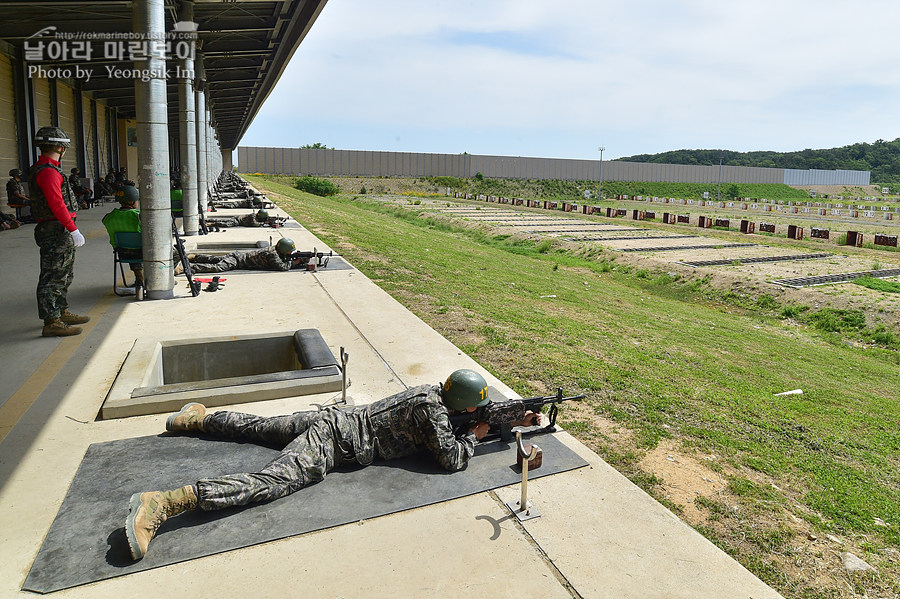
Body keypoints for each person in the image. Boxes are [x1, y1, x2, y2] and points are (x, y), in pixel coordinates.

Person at [124, 368, 541, 560]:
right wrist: (474, 436)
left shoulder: (433, 395)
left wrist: (512, 418)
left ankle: (195, 418)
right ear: (460, 405)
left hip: (335, 418)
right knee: (273, 481)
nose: (478, 411)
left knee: (261, 427)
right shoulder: (433, 415)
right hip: (335, 440)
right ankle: (167, 501)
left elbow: (469, 412)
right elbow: (451, 458)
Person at [29, 126, 90, 337]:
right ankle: (51, 321)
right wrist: (73, 229)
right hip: (56, 228)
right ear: (59, 147)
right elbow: (57, 203)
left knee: (64, 273)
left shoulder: (48, 168)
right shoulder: (47, 171)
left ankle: (60, 311)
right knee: (53, 275)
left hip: (58, 228)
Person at [176, 237, 302, 274]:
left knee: (217, 260)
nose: (291, 253)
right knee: (218, 267)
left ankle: (195, 256)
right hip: (238, 261)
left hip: (237, 257)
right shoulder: (273, 254)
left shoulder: (276, 249)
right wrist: (294, 263)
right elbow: (281, 267)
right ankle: (190, 267)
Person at [102, 184, 143, 288]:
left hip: (122, 252)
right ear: (131, 201)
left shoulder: (109, 217)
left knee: (131, 247)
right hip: (142, 252)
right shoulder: (138, 216)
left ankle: (139, 277)